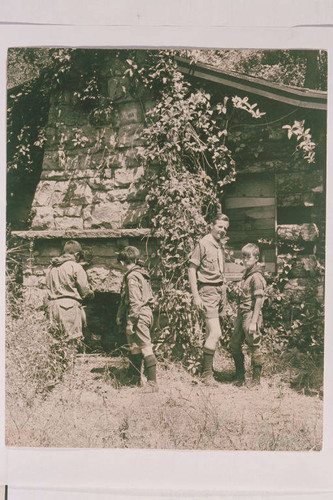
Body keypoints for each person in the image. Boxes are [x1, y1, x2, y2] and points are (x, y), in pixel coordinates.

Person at [188, 214, 230, 386]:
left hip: (219, 291)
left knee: (209, 333)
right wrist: (196, 295)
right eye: (219, 226)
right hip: (207, 291)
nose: (222, 230)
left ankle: (207, 372)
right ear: (211, 225)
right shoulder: (203, 243)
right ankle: (206, 376)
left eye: (225, 228)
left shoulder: (219, 245)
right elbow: (191, 269)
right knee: (216, 333)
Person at [116, 246, 158, 392]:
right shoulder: (142, 273)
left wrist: (130, 322)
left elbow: (135, 301)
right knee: (134, 346)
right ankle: (134, 378)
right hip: (145, 312)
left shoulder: (132, 276)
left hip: (138, 314)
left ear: (122, 262)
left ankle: (152, 384)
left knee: (145, 347)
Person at [45, 240, 94, 357]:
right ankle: (68, 372)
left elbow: (47, 287)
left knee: (55, 342)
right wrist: (91, 293)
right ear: (76, 255)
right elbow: (85, 292)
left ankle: (56, 372)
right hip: (69, 307)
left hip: (52, 307)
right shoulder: (75, 266)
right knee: (71, 341)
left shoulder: (51, 268)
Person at [229, 243, 266, 386]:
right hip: (241, 313)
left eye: (248, 257)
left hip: (251, 314)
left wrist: (253, 322)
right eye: (243, 257)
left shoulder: (256, 276)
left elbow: (258, 300)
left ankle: (256, 381)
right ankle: (240, 376)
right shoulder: (247, 274)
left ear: (256, 258)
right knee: (234, 343)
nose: (245, 260)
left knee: (254, 344)